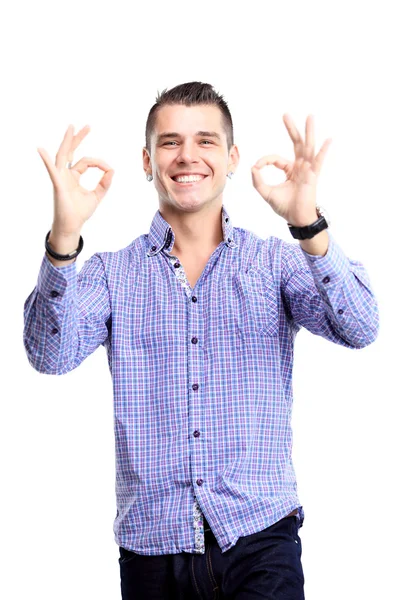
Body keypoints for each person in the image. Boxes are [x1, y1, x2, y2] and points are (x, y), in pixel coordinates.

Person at [23, 81, 379, 600]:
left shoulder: (274, 262)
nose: (187, 155)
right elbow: (48, 357)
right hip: (152, 551)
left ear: (232, 157)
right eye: (169, 142)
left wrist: (308, 224)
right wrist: (63, 241)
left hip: (261, 540)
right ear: (147, 161)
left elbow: (361, 327)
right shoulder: (109, 275)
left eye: (205, 141)